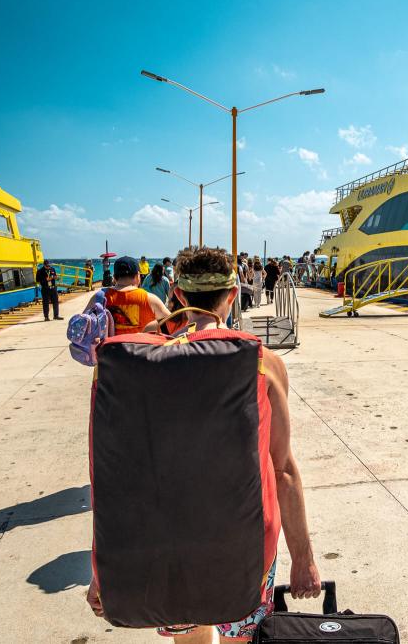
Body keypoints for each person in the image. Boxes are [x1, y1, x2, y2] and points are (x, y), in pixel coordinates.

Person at [86, 247, 322, 640]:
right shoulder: (261, 360)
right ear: (232, 294)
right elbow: (282, 469)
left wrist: (102, 571)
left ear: (177, 294)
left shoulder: (137, 362)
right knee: (241, 637)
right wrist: (304, 559)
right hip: (246, 548)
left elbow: (110, 476)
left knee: (190, 640)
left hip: (168, 547)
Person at [89, 256, 170, 335]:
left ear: (114, 277)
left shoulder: (99, 297)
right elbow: (173, 323)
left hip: (108, 347)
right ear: (138, 275)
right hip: (142, 347)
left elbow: (85, 324)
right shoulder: (150, 299)